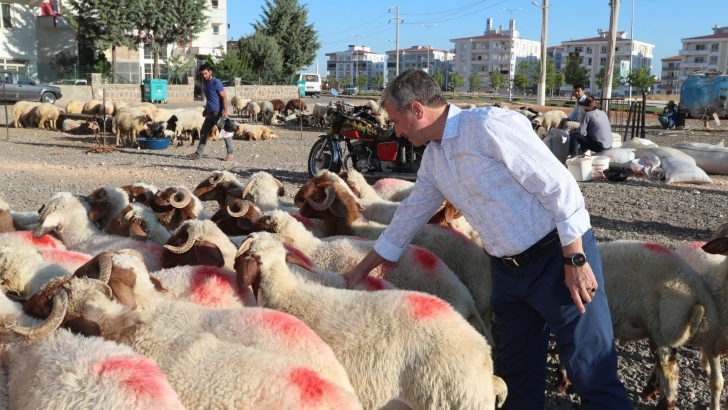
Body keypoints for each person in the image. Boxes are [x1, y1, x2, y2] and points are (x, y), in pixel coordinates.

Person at [344, 68, 631, 410]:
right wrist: (358, 272)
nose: (396, 130)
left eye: (396, 120)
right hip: (508, 273)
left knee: (590, 368)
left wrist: (575, 259)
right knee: (515, 379)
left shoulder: (488, 126)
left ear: (417, 110)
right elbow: (407, 218)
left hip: (558, 257)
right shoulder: (435, 159)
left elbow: (559, 186)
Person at [187, 63, 234, 161]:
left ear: (210, 72)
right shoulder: (206, 84)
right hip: (210, 114)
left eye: (205, 73)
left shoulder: (216, 82)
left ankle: (230, 153)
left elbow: (224, 97)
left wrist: (225, 111)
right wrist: (205, 109)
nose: (204, 76)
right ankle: (198, 154)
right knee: (203, 132)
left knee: (224, 132)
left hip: (218, 113)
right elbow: (210, 99)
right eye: (202, 74)